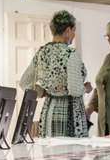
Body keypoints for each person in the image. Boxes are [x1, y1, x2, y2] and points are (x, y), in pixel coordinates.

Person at [19, 10, 91, 138]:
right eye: (74, 30)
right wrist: (86, 88)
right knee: (71, 149)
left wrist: (44, 92)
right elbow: (75, 90)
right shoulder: (71, 54)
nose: (74, 35)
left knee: (51, 149)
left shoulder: (41, 53)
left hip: (49, 110)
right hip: (70, 113)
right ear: (67, 30)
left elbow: (24, 83)